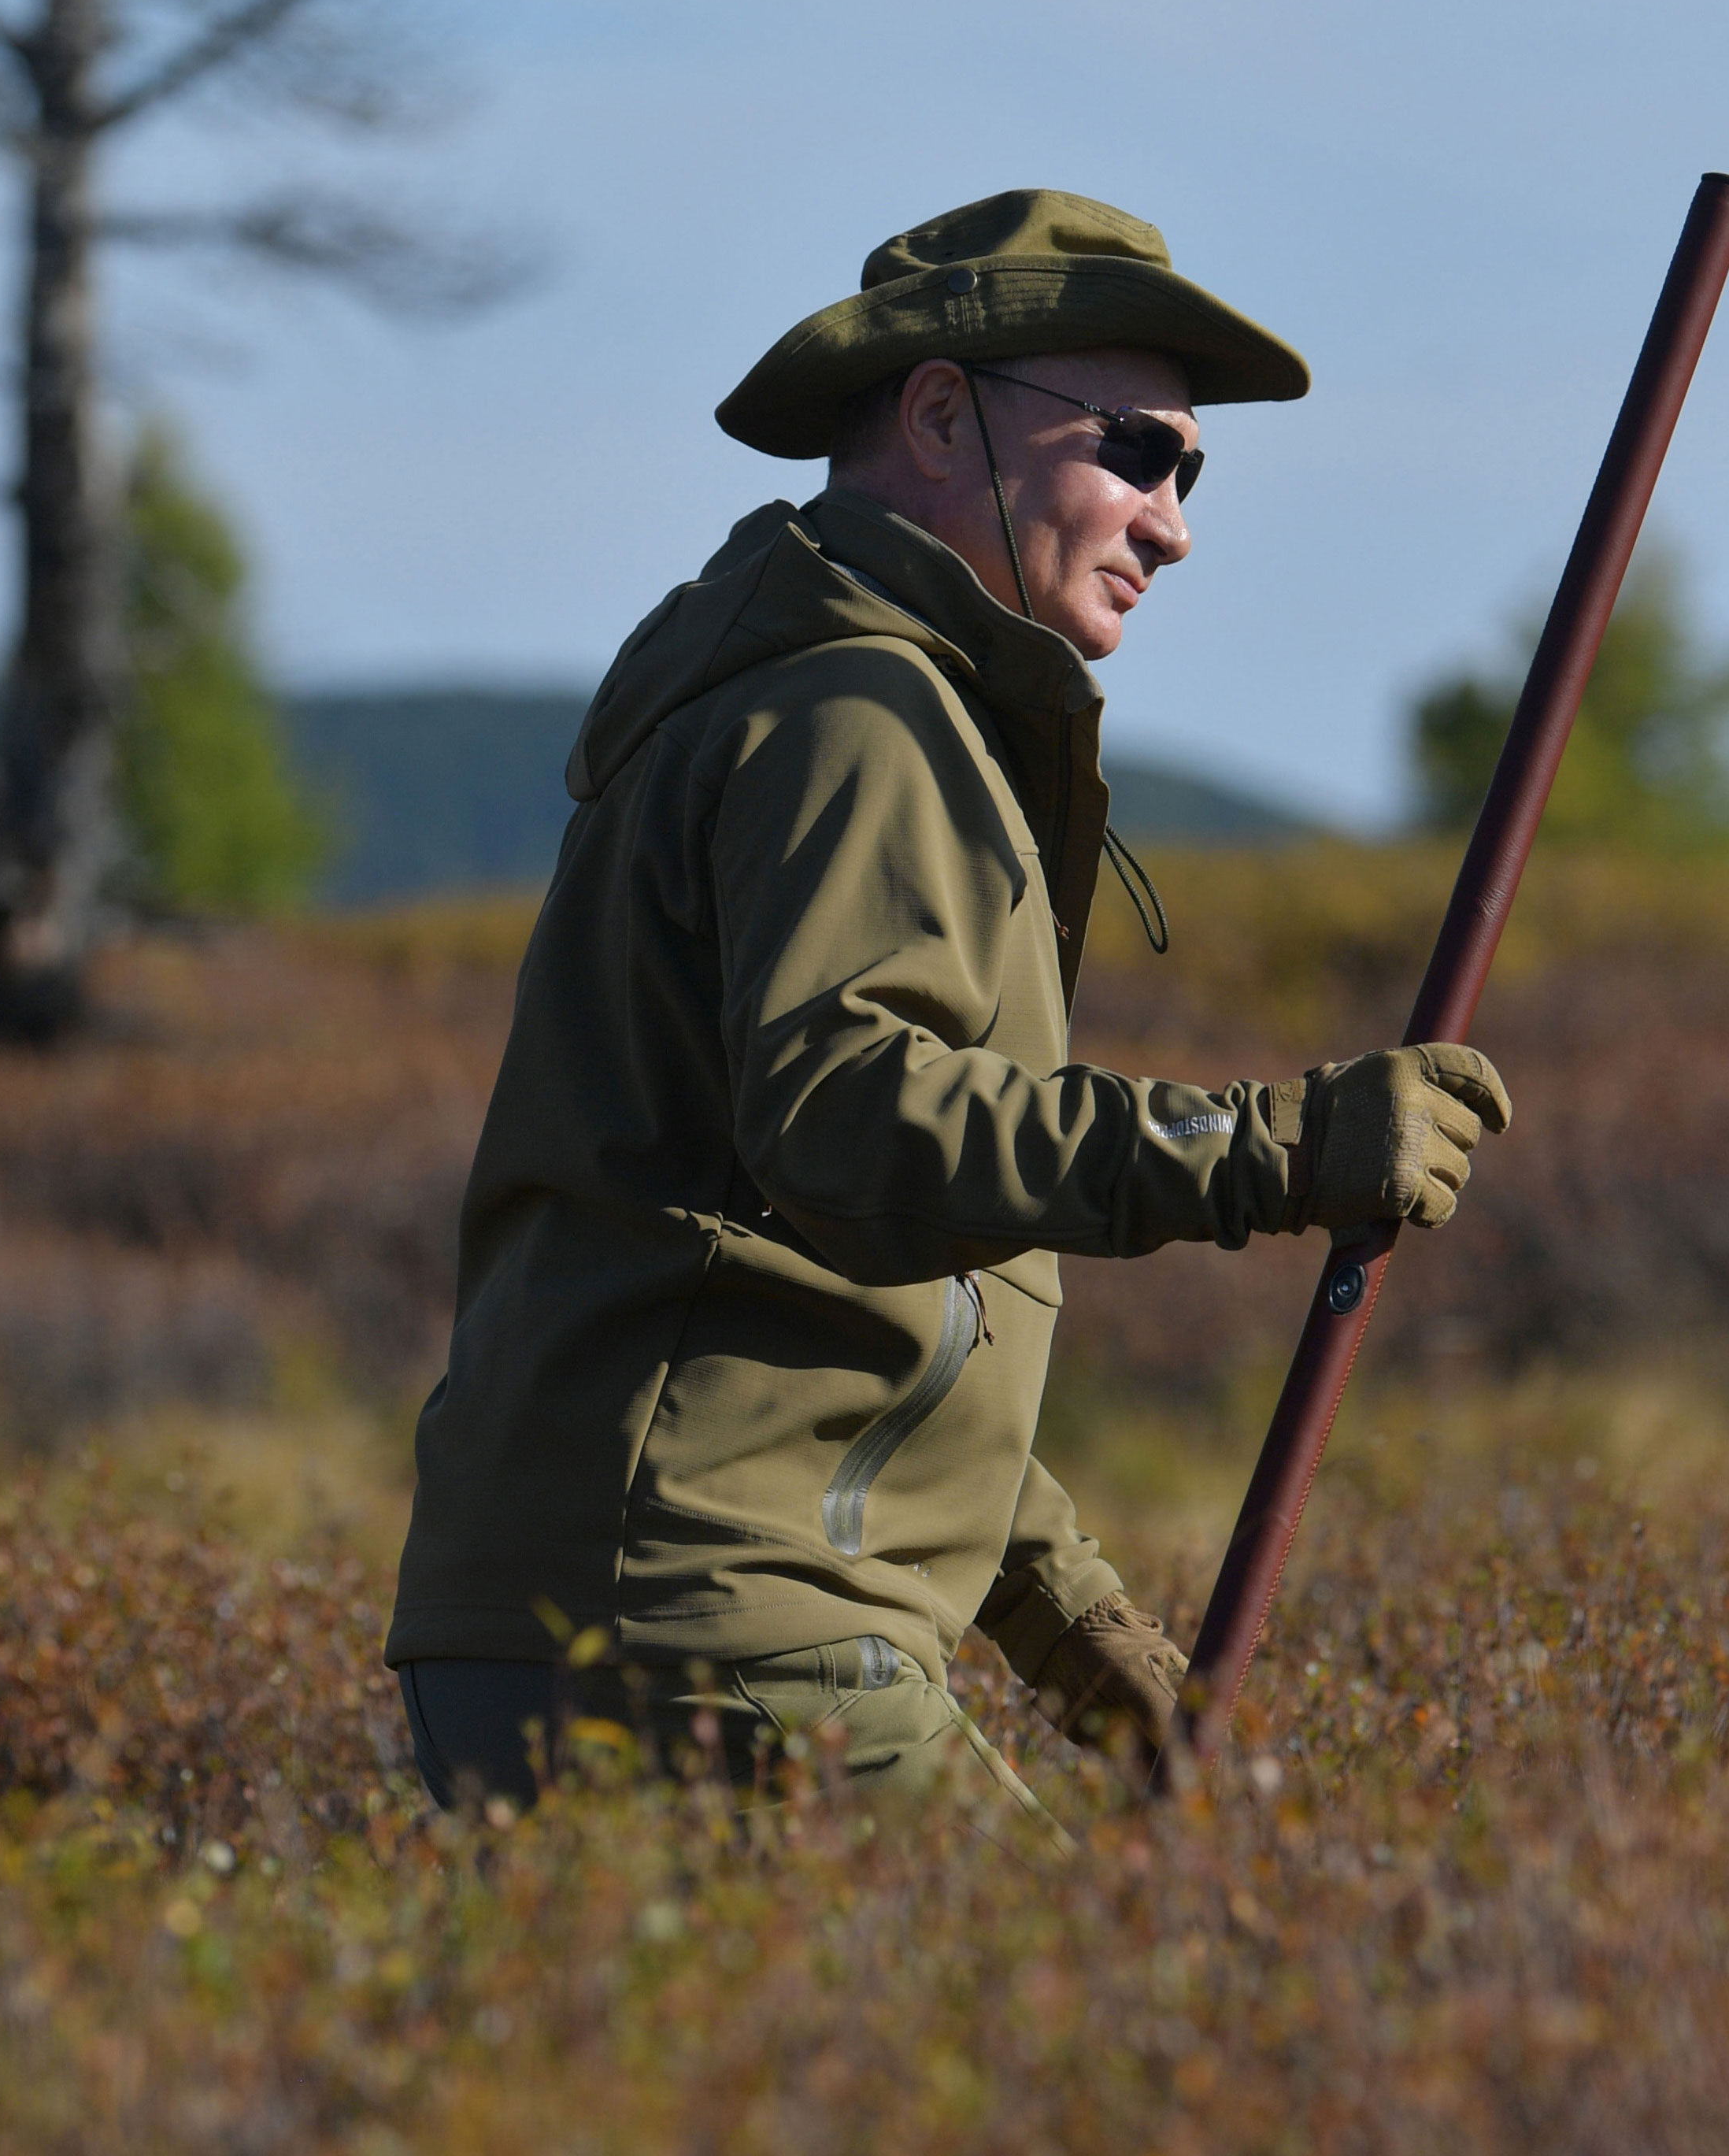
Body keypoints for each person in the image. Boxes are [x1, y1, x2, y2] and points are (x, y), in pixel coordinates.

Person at [379, 189, 1512, 1824]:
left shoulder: (834, 699)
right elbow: (850, 1119)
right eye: (1135, 446)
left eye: (1193, 469)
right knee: (1067, 2057)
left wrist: (1064, 1617)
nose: (1173, 520)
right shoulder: (861, 713)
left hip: (612, 1609)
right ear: (938, 411)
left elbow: (835, 1299)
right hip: (719, 1624)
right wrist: (1279, 1145)